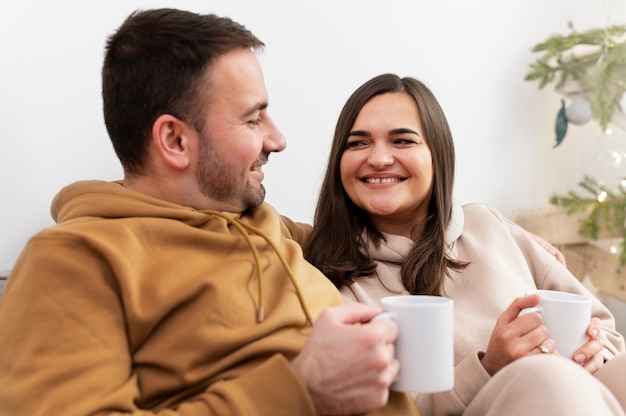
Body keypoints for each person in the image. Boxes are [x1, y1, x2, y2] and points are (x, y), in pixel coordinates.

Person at [0, 10, 419, 416]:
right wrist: (303, 387)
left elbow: (369, 235)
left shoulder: (264, 223)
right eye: (253, 119)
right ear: (175, 140)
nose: (278, 139)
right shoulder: (75, 260)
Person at [304, 73, 626, 415]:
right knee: (544, 378)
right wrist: (489, 367)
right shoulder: (328, 280)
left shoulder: (488, 226)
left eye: (402, 141)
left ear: (436, 154)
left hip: (572, 398)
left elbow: (602, 325)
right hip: (516, 399)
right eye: (357, 143)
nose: (379, 158)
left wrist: (594, 349)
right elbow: (388, 408)